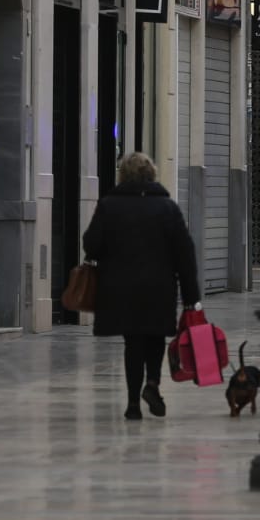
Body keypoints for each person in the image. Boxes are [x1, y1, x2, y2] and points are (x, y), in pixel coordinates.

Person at [83, 152, 201, 421]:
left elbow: (91, 244)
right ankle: (153, 384)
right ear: (152, 175)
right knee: (155, 337)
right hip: (159, 286)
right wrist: (191, 296)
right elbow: (185, 253)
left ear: (122, 175)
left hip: (120, 287)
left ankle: (133, 403)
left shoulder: (109, 205)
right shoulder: (167, 208)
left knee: (132, 342)